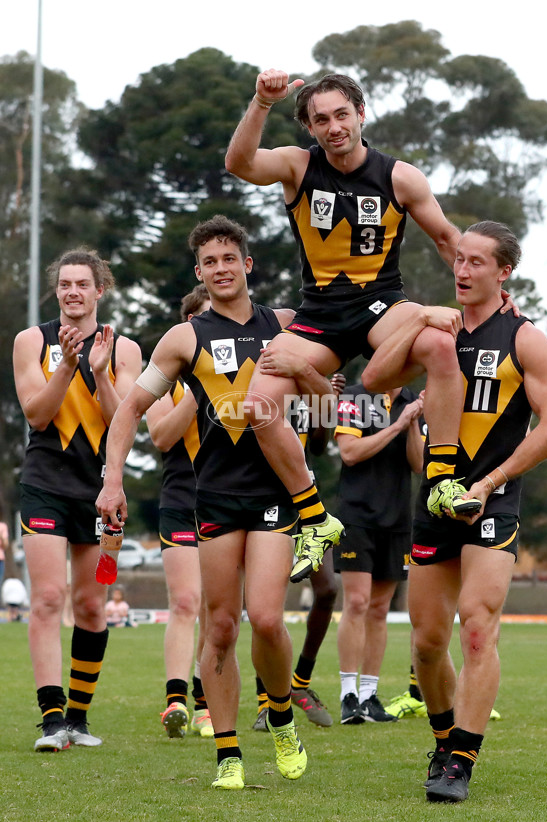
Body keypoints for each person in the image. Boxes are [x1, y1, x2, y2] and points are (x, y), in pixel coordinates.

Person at [96, 215, 337, 790]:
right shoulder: (185, 337)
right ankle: (228, 753)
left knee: (271, 618)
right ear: (199, 273)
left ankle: (280, 716)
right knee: (222, 627)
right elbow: (130, 410)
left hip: (277, 495)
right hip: (216, 497)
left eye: (229, 258)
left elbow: (331, 395)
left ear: (247, 264)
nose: (221, 269)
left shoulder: (286, 325)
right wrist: (111, 479)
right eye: (209, 262)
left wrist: (303, 368)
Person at [225, 69, 489, 584]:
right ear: (310, 127)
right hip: (319, 315)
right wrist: (261, 101)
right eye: (321, 119)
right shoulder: (298, 167)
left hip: (380, 307)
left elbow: (446, 239)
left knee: (439, 342)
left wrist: (485, 295)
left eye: (342, 114)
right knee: (258, 404)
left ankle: (441, 477)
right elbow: (239, 163)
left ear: (360, 114)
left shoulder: (400, 177)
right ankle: (315, 517)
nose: (333, 127)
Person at [402, 222, 547, 802]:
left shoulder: (525, 339)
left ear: (504, 273)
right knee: (426, 642)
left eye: (477, 262)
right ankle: (445, 740)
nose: (463, 270)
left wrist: (492, 480)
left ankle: (460, 763)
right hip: (433, 501)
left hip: (493, 502)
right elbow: (377, 377)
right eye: (458, 259)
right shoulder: (434, 332)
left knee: (477, 626)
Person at [12, 247, 142, 752]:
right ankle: (51, 720)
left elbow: (124, 419)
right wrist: (66, 366)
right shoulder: (31, 341)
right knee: (47, 599)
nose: (72, 291)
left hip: (100, 491)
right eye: (64, 283)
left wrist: (101, 372)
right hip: (44, 483)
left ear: (99, 291)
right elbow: (38, 415)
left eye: (81, 284)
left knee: (91, 604)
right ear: (57, 290)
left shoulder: (124, 348)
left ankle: (79, 720)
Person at [253, 371, 346, 732]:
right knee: (268, 607)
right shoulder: (267, 383)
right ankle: (267, 703)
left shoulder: (311, 385)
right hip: (267, 499)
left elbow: (319, 447)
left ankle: (300, 684)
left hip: (306, 498)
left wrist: (325, 406)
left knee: (327, 590)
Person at [334, 382, 424, 724]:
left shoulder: (413, 399)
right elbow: (350, 452)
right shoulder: (354, 396)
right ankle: (348, 695)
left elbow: (418, 464)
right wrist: (398, 425)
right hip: (357, 516)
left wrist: (413, 420)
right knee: (356, 602)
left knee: (379, 609)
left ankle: (370, 696)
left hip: (397, 518)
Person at [146, 283, 213, 740]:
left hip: (226, 499)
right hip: (179, 497)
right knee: (186, 601)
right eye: (204, 320)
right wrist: (198, 386)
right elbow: (161, 437)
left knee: (217, 607)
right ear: (189, 325)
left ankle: (210, 701)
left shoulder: (245, 372)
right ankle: (176, 700)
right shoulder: (166, 380)